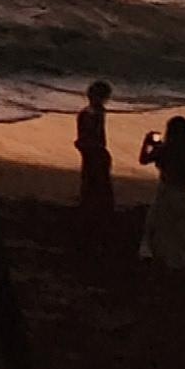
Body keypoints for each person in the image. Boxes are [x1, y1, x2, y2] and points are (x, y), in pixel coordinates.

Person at [139, 111, 185, 272]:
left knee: (158, 225)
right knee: (180, 229)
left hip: (166, 191)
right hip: (183, 192)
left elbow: (144, 159)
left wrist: (147, 143)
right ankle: (179, 261)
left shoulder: (165, 149)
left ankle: (159, 257)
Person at [74, 80, 117, 253]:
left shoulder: (88, 113)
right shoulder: (95, 113)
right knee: (98, 186)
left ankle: (91, 215)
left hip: (93, 152)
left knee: (91, 185)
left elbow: (87, 136)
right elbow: (96, 136)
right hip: (96, 152)